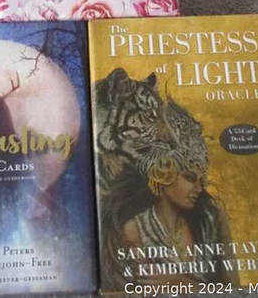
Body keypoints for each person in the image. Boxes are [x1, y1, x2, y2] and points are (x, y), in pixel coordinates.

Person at [100, 98, 239, 288]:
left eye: (202, 181)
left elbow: (235, 290)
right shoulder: (135, 230)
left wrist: (185, 283)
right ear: (164, 174)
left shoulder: (212, 221)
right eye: (189, 178)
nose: (199, 189)